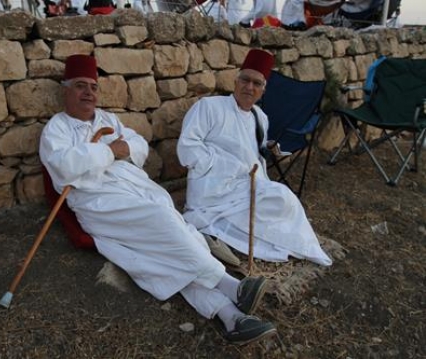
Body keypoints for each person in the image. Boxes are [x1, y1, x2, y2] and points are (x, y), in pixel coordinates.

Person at [39, 54, 278, 345]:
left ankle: (231, 317)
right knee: (163, 221)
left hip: (135, 187)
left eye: (93, 86)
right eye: (80, 86)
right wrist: (110, 151)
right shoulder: (56, 128)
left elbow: (138, 145)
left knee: (166, 248)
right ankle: (231, 284)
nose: (89, 92)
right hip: (98, 200)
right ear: (66, 90)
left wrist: (118, 148)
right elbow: (63, 167)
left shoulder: (107, 119)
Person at [177, 49, 333, 267]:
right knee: (283, 198)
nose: (249, 87)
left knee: (282, 201)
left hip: (250, 184)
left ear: (263, 90)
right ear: (235, 81)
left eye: (256, 84)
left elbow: (252, 148)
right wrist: (229, 166)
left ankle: (298, 244)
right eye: (245, 80)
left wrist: (268, 147)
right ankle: (217, 226)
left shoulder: (260, 117)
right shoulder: (209, 107)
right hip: (213, 188)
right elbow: (187, 149)